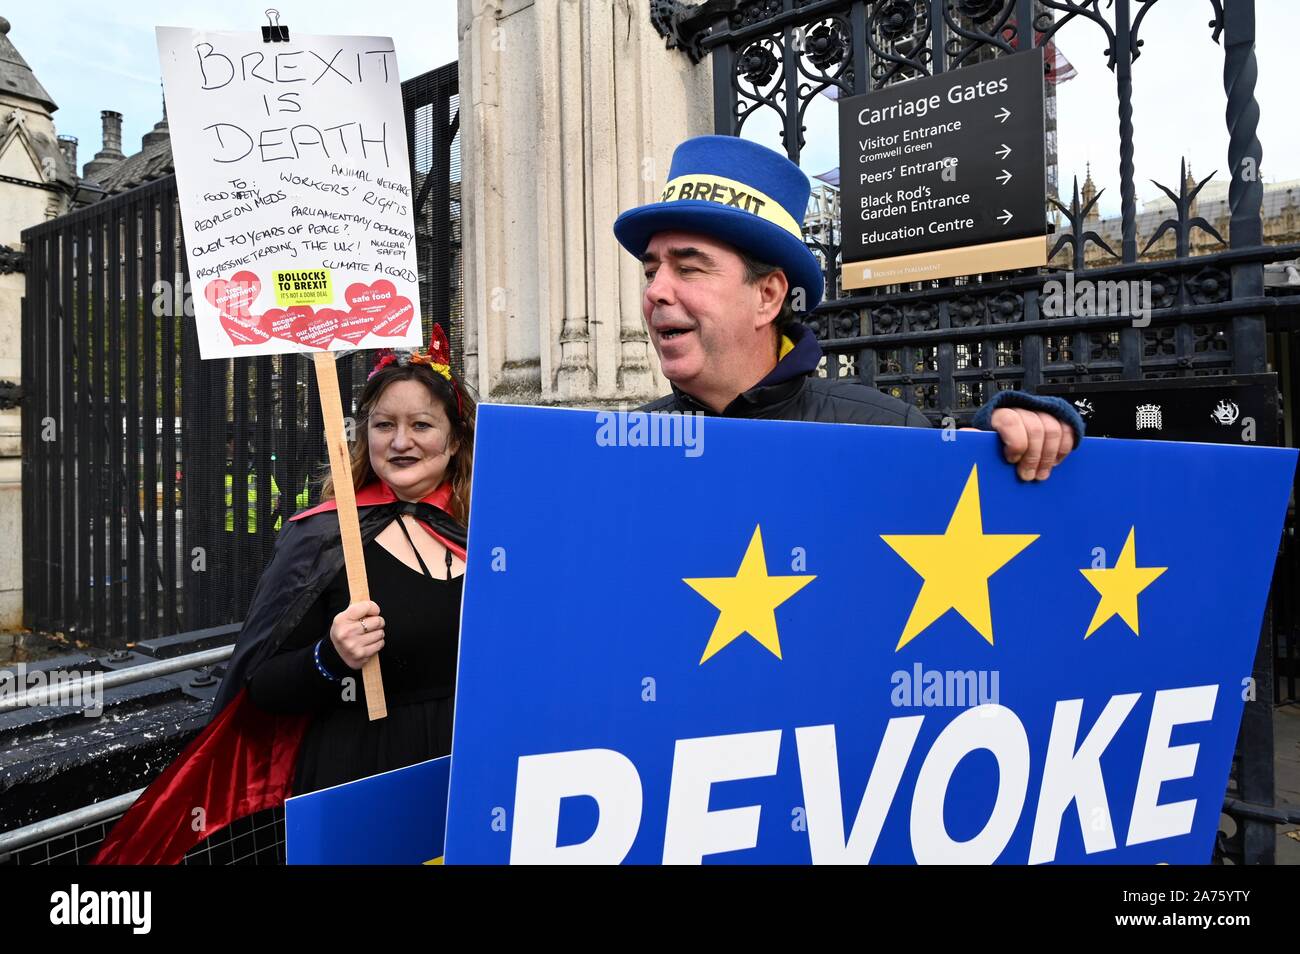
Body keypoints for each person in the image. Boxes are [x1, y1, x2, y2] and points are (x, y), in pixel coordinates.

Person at [93, 325, 475, 864]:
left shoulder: (485, 534)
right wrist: (330, 656)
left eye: (421, 425)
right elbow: (263, 687)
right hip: (360, 776)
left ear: (455, 439)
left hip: (464, 772)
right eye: (383, 424)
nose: (400, 441)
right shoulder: (321, 538)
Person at [613, 135, 1085, 476]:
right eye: (652, 271)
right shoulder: (621, 447)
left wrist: (1008, 445)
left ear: (768, 296)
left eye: (689, 268)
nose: (656, 291)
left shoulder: (885, 429)